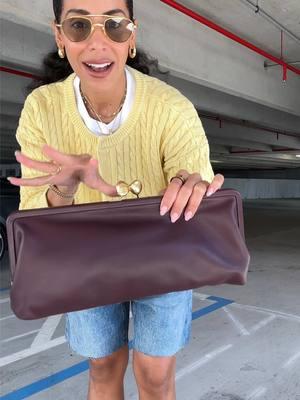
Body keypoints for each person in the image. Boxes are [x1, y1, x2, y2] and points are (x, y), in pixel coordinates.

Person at [8, 0, 224, 398]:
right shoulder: (42, 109)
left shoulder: (171, 106)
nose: (97, 42)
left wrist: (189, 185)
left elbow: (195, 175)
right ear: (59, 36)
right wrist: (64, 190)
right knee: (103, 366)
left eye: (114, 24)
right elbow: (34, 217)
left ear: (132, 37)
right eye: (78, 26)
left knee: (155, 376)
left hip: (163, 253)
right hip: (86, 257)